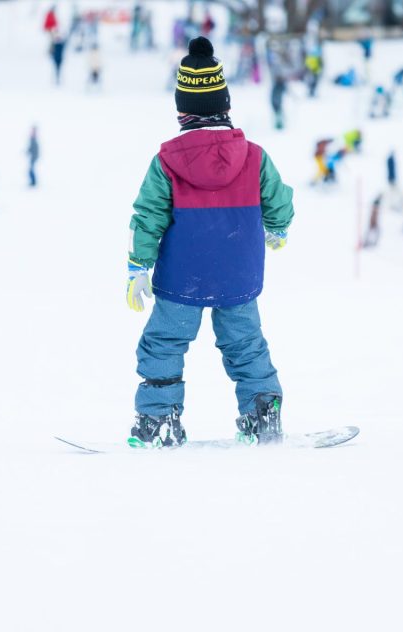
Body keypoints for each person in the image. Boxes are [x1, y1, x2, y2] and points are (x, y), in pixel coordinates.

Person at [125, 36, 294, 448]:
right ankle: (262, 413)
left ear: (182, 110)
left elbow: (148, 216)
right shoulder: (254, 156)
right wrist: (278, 228)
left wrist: (138, 267)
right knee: (245, 343)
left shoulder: (167, 161)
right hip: (238, 274)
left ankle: (161, 419)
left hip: (184, 275)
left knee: (165, 343)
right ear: (226, 106)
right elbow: (280, 199)